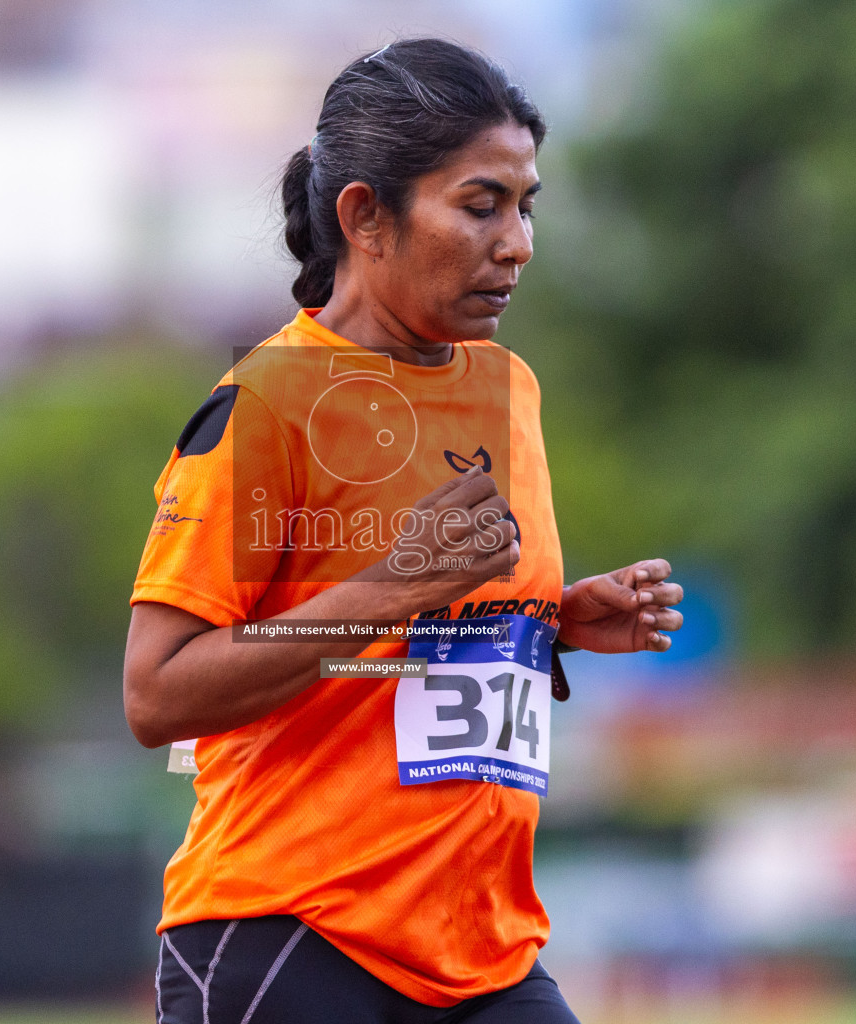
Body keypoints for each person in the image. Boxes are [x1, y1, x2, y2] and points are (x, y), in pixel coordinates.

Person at [125, 38, 683, 1024]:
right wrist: (393, 587)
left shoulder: (507, 387)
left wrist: (552, 618)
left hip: (484, 950)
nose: (517, 242)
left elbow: (411, 650)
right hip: (294, 934)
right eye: (480, 205)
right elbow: (157, 690)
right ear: (364, 216)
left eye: (526, 206)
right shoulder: (266, 404)